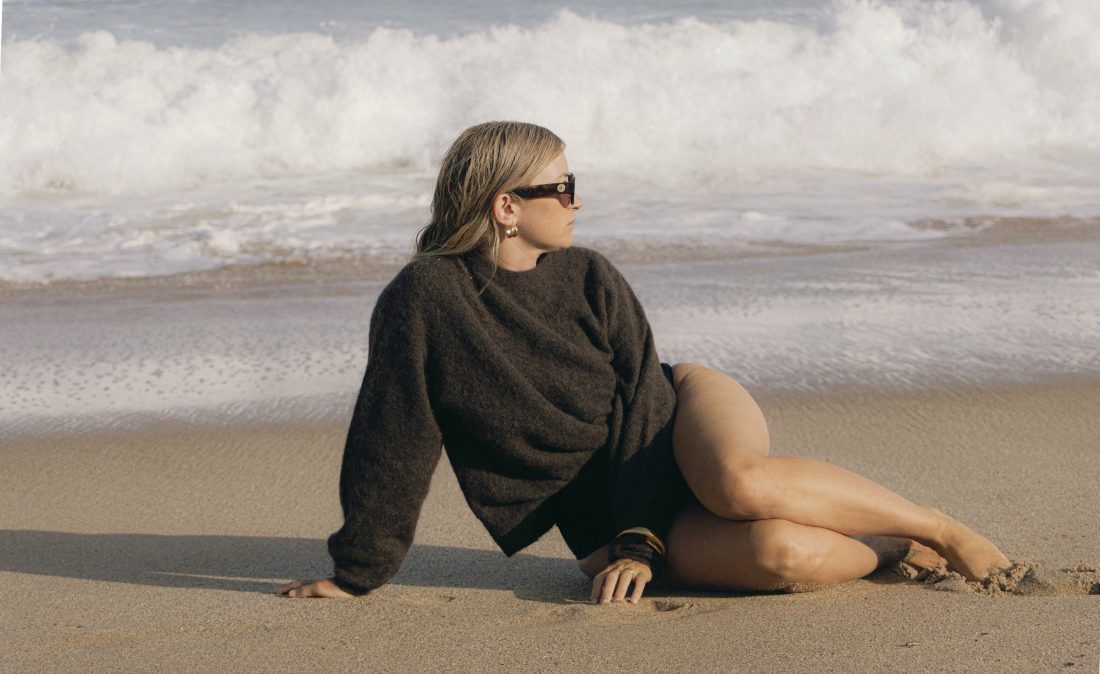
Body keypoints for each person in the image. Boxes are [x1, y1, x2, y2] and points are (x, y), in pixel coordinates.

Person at [275, 121, 1011, 604]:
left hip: (676, 415)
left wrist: (642, 538)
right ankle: (888, 545)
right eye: (560, 188)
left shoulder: (590, 274)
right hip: (603, 518)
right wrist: (357, 573)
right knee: (779, 549)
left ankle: (942, 528)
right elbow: (393, 433)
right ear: (506, 206)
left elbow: (643, 403)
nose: (576, 201)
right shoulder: (427, 297)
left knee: (738, 482)